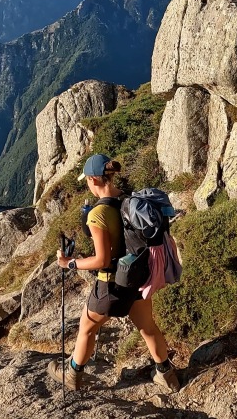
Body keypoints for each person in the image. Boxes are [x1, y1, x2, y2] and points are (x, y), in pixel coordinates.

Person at [47, 153, 181, 392]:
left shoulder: (97, 214)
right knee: (148, 327)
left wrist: (69, 263)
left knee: (86, 329)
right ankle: (167, 376)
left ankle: (72, 373)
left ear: (93, 180)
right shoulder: (129, 201)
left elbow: (102, 259)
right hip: (138, 278)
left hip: (111, 284)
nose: (87, 184)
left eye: (87, 180)